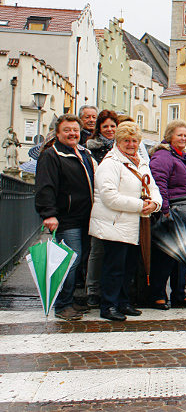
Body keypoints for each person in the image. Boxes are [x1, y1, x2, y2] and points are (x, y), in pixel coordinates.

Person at [89, 122, 162, 321]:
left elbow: (153, 187)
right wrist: (141, 205)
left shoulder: (141, 161)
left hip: (134, 223)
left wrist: (155, 204)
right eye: (126, 140)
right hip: (114, 223)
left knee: (128, 267)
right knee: (114, 268)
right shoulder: (110, 163)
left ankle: (123, 302)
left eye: (134, 141)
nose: (131, 144)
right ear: (118, 142)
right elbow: (109, 197)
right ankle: (108, 305)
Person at [34, 114, 96, 321]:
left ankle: (69, 301)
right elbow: (45, 186)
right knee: (70, 260)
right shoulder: (51, 156)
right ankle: (62, 305)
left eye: (75, 130)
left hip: (86, 217)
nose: (72, 133)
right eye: (67, 130)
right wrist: (48, 213)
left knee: (77, 261)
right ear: (58, 133)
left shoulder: (83, 153)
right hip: (67, 218)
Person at [148, 120, 186, 309]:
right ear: (169, 136)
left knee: (181, 257)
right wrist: (165, 211)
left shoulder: (180, 157)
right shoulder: (163, 156)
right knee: (165, 256)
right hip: (171, 213)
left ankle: (179, 294)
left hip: (184, 214)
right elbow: (159, 184)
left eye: (185, 135)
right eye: (179, 135)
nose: (183, 138)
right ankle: (159, 295)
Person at [84, 109, 120, 308]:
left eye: (112, 126)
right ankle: (93, 290)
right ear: (99, 128)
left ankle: (112, 290)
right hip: (98, 203)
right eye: (105, 126)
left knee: (116, 251)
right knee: (97, 250)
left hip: (120, 204)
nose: (109, 130)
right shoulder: (90, 150)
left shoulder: (122, 148)